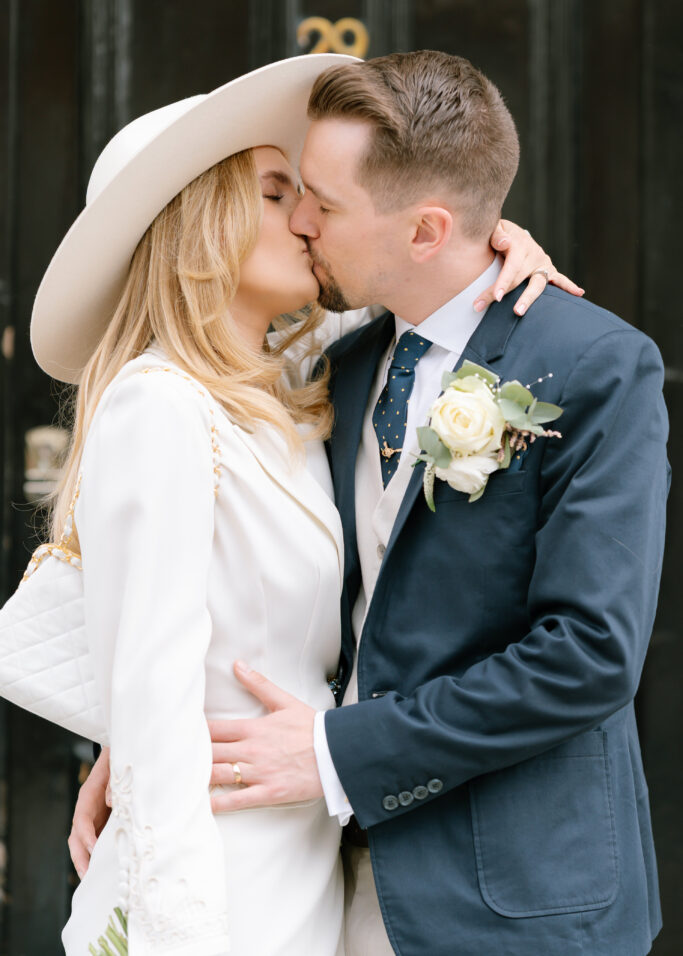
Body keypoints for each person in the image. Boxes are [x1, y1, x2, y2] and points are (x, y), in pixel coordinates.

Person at [26, 55, 570, 955]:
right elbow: (156, 699)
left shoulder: (290, 393)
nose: (310, 219)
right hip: (215, 878)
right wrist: (176, 927)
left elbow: (420, 266)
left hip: (310, 862)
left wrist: (495, 239)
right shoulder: (159, 405)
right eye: (278, 194)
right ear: (202, 226)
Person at [171, 52, 664, 956]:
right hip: (322, 879)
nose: (302, 223)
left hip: (516, 897)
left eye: (324, 200)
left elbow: (589, 657)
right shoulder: (340, 365)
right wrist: (146, 736)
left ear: (427, 230)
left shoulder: (593, 364)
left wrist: (334, 753)